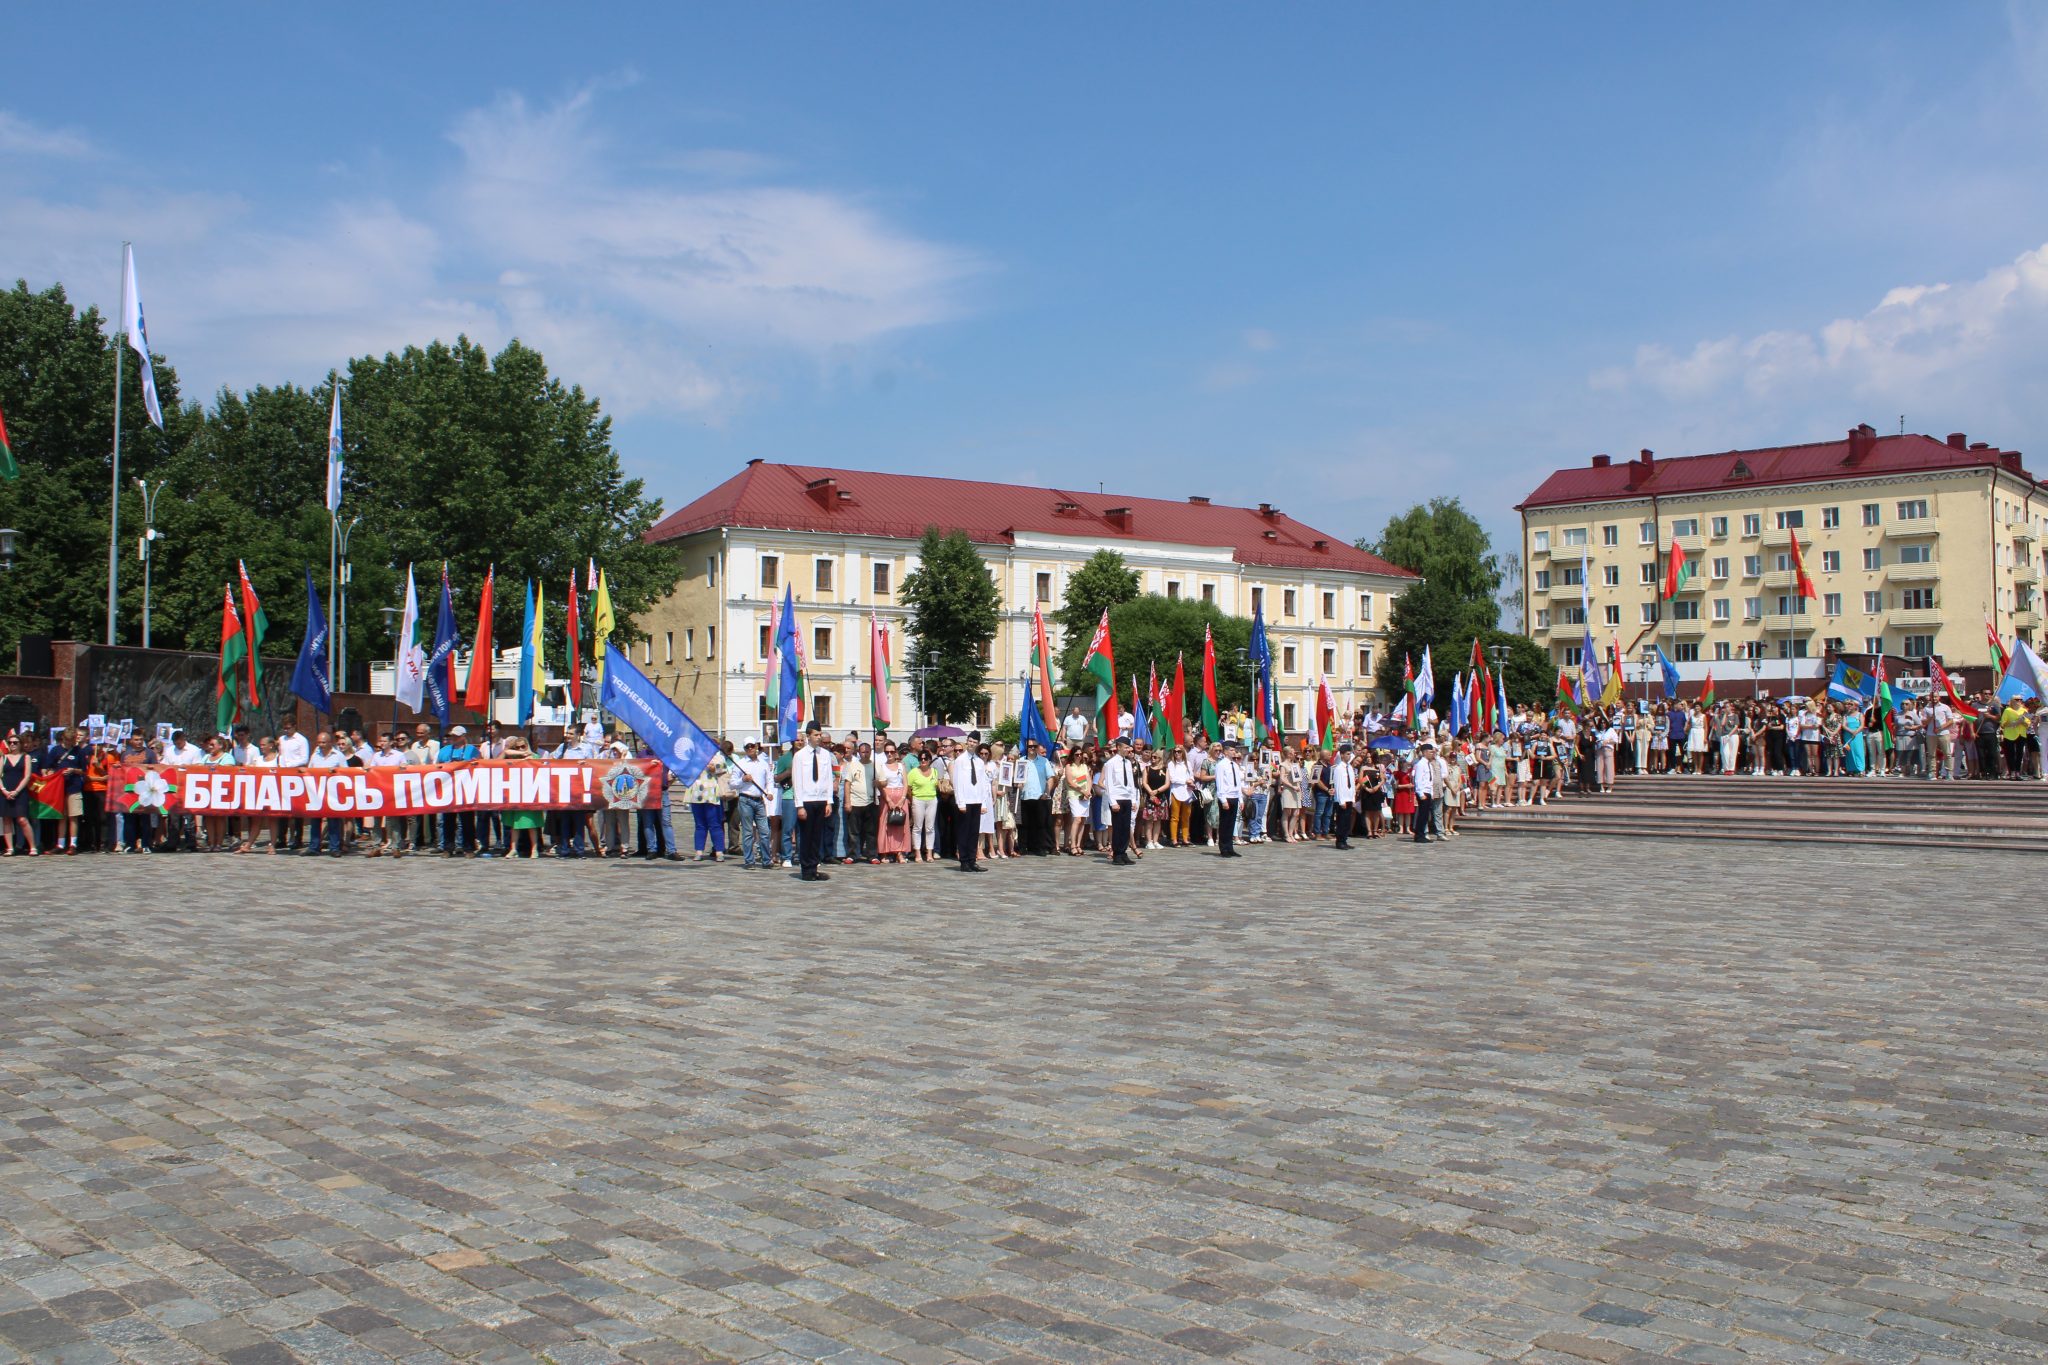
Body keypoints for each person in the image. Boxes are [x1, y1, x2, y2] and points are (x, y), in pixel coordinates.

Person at [791, 724, 835, 881]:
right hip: (807, 800)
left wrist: (829, 801)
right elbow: (797, 781)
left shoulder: (825, 755)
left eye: (820, 735)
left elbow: (829, 779)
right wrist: (800, 805)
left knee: (817, 836)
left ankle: (815, 867)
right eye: (816, 735)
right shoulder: (800, 756)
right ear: (808, 736)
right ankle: (806, 869)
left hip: (821, 799)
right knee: (807, 836)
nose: (819, 737)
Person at [949, 734, 991, 872]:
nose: (972, 744)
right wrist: (960, 802)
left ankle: (972, 860)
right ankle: (964, 861)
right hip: (965, 800)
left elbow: (983, 783)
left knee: (974, 832)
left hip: (976, 800)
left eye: (975, 742)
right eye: (970, 741)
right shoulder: (960, 760)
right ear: (967, 742)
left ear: (978, 743)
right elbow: (957, 782)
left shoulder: (979, 761)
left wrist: (983, 803)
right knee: (964, 832)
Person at [1100, 736, 1138, 866]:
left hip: (1127, 797)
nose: (1129, 750)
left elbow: (1131, 783)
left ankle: (1123, 852)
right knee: (1117, 827)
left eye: (1129, 747)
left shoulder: (1128, 763)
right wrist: (1113, 802)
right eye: (1126, 747)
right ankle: (1117, 853)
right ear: (1119, 747)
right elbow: (1109, 783)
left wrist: (1133, 800)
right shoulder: (1110, 763)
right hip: (1117, 798)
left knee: (1126, 827)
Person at [876, 740, 911, 863]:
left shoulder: (901, 766)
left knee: (901, 825)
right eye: (887, 752)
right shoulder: (882, 767)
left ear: (896, 752)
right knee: (885, 825)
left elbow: (905, 784)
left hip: (900, 795)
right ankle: (885, 853)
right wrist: (889, 800)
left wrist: (902, 799)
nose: (889, 754)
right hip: (887, 797)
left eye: (891, 752)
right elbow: (881, 785)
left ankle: (900, 852)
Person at [1212, 739, 1244, 857]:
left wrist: (1240, 799)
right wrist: (1223, 800)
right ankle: (1224, 848)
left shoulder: (1235, 765)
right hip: (1226, 797)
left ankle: (1230, 847)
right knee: (1225, 823)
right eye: (1231, 750)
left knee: (1231, 823)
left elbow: (1238, 784)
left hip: (1234, 796)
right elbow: (1220, 783)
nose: (1233, 752)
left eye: (1234, 750)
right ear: (1225, 752)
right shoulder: (1221, 765)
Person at [1411, 742, 1438, 843]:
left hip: (1428, 792)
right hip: (1423, 792)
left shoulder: (1429, 764)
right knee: (1422, 815)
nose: (1432, 754)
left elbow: (1429, 780)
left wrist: (1431, 793)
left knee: (1426, 815)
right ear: (1425, 752)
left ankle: (1422, 833)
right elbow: (1418, 780)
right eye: (1430, 752)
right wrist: (1420, 793)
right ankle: (1419, 835)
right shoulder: (1420, 764)